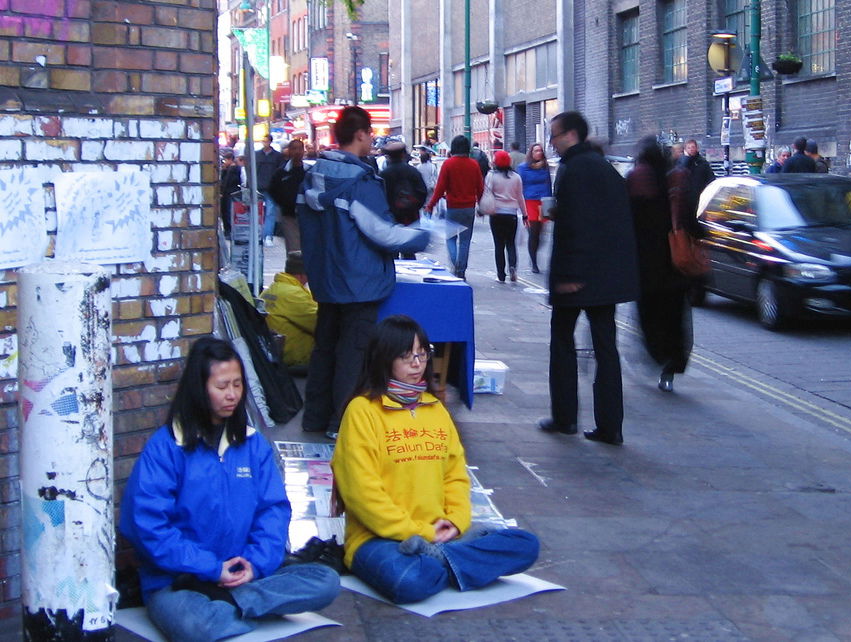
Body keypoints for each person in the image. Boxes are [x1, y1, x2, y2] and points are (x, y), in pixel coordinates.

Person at [119, 337, 341, 642]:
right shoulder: (167, 446)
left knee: (326, 581)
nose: (232, 395)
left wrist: (255, 563)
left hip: (243, 571)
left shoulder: (252, 444)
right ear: (199, 388)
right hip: (180, 580)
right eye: (222, 386)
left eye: (237, 385)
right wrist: (210, 568)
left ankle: (231, 604)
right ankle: (237, 604)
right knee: (196, 627)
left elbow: (273, 510)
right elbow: (146, 526)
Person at [332, 315, 540, 604]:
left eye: (422, 354)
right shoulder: (363, 410)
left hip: (442, 535)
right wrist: (419, 532)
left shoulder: (435, 408)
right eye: (406, 357)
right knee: (410, 581)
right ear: (384, 360)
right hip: (379, 540)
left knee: (526, 545)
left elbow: (455, 475)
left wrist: (455, 521)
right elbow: (362, 493)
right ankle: (452, 563)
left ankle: (439, 560)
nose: (417, 365)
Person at [297, 105, 430, 437]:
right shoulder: (359, 180)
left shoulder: (312, 175)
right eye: (369, 135)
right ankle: (340, 423)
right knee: (352, 353)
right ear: (359, 135)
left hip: (326, 279)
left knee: (325, 346)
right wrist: (424, 234)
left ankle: (315, 417)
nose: (372, 141)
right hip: (359, 282)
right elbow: (382, 233)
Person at [538, 111, 639, 446]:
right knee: (606, 349)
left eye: (554, 135)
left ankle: (565, 417)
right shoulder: (604, 168)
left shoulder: (573, 169)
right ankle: (611, 426)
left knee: (563, 342)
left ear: (571, 135)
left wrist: (569, 276)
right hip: (607, 277)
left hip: (579, 276)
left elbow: (576, 228)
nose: (550, 142)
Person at [627, 136, 696, 393]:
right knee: (675, 317)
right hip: (676, 262)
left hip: (647, 264)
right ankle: (672, 364)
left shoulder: (636, 180)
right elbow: (691, 218)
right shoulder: (677, 179)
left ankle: (656, 356)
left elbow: (626, 222)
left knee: (650, 316)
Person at [425, 134, 484, 279]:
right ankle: (461, 270)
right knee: (465, 241)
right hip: (469, 208)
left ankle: (455, 264)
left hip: (452, 207)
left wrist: (431, 205)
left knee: (450, 238)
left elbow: (440, 188)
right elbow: (480, 187)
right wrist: (481, 205)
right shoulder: (474, 164)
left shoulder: (448, 164)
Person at [260, 251, 318, 370]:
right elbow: (320, 323)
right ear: (302, 274)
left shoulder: (271, 290)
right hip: (295, 359)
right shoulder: (293, 294)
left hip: (278, 352)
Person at [483, 150, 529, 283]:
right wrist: (525, 215)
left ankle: (501, 274)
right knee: (510, 243)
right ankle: (513, 267)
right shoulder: (516, 177)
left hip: (496, 213)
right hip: (512, 214)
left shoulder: (491, 176)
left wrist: (482, 209)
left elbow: (487, 193)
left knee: (499, 245)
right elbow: (520, 197)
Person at [516, 143, 554, 274]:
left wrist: (551, 201)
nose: (539, 153)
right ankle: (534, 262)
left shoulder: (545, 166)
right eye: (536, 151)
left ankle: (534, 254)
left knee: (541, 235)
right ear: (531, 153)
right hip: (530, 202)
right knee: (534, 232)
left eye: (540, 151)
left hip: (543, 202)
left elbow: (549, 183)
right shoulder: (523, 168)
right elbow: (520, 186)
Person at [267, 139, 307, 253]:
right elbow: (272, 190)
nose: (297, 152)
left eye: (300, 148)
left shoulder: (309, 171)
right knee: (294, 251)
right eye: (294, 148)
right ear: (289, 151)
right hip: (289, 215)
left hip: (307, 215)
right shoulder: (282, 172)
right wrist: (284, 204)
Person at [256, 136, 285, 247]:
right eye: (263, 141)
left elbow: (280, 172)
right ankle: (260, 235)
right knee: (259, 213)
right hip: (259, 187)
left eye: (266, 141)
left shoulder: (277, 156)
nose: (265, 143)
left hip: (271, 188)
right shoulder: (257, 155)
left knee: (270, 212)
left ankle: (268, 236)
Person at [219, 151, 241, 233]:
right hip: (229, 193)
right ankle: (228, 230)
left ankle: (229, 230)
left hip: (229, 193)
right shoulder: (229, 169)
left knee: (228, 212)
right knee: (226, 212)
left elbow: (226, 182)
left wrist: (222, 192)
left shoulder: (233, 169)